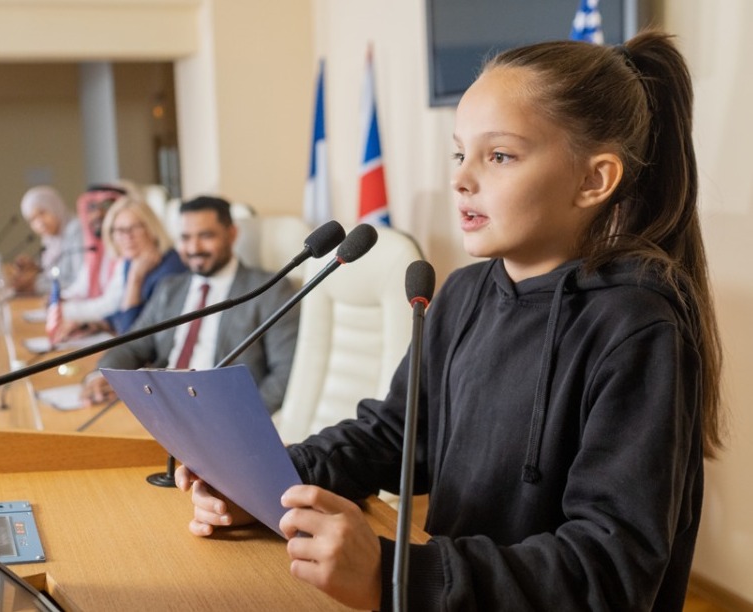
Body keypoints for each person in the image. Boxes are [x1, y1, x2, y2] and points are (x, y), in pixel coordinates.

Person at [177, 31, 724, 610]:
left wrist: (395, 575)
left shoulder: (636, 326)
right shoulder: (463, 294)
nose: (462, 178)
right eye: (460, 153)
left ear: (594, 179)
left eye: (500, 155)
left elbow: (609, 571)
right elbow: (393, 437)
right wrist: (266, 482)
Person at [83, 195, 299, 414]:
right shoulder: (170, 288)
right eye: (185, 238)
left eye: (205, 236)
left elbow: (285, 373)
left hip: (221, 411)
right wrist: (101, 375)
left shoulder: (270, 290)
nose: (194, 248)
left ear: (232, 234)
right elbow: (132, 344)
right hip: (162, 406)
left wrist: (243, 419)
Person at [56, 194, 185, 338]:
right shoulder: (132, 261)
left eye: (135, 228)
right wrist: (94, 324)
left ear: (151, 228)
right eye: (119, 230)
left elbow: (130, 334)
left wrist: (134, 280)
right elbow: (121, 314)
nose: (127, 237)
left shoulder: (170, 270)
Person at [10, 185, 85, 294]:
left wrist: (36, 284)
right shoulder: (50, 238)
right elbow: (54, 272)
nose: (40, 223)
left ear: (55, 206)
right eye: (32, 220)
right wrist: (35, 269)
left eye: (42, 213)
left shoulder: (77, 230)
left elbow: (79, 281)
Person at [61, 183, 126, 302]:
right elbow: (81, 287)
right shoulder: (96, 250)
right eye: (92, 208)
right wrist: (60, 299)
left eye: (107, 207)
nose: (98, 214)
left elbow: (110, 304)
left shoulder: (128, 250)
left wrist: (65, 310)